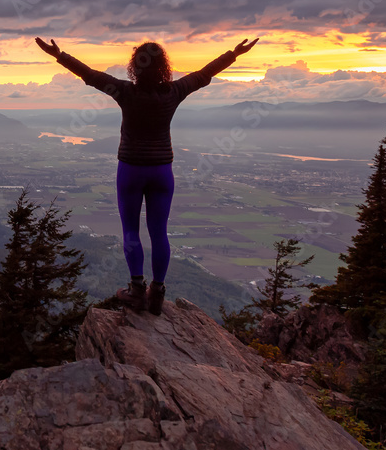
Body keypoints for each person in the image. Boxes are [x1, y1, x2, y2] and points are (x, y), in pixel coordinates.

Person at [34, 36, 259, 315]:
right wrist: (233, 54)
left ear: (135, 68)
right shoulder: (174, 92)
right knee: (159, 232)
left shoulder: (125, 92)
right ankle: (157, 294)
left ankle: (137, 290)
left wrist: (59, 55)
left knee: (131, 230)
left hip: (130, 169)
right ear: (164, 67)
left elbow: (90, 75)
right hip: (162, 171)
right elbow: (204, 74)